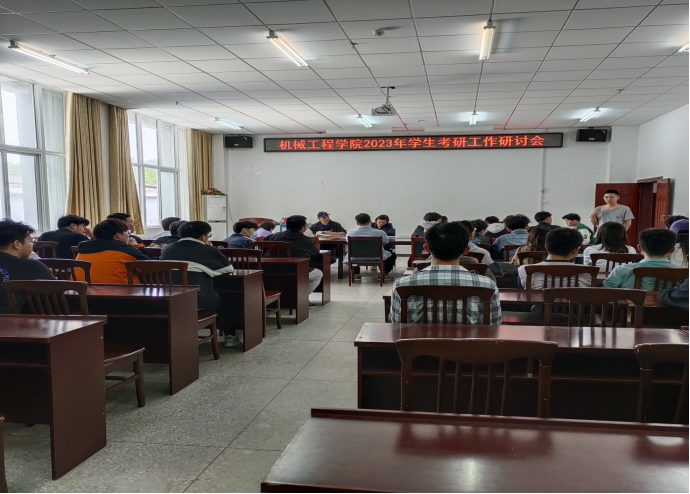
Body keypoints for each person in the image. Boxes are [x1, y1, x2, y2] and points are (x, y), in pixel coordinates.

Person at [389, 221, 501, 325]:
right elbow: (494, 326)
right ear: (466, 250)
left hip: (418, 341)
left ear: (426, 248)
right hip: (469, 341)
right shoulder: (487, 285)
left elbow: (396, 325)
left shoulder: (402, 285)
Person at [160, 221, 239, 346]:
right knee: (228, 299)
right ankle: (231, 337)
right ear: (203, 236)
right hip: (197, 300)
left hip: (169, 299)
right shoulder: (207, 250)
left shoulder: (167, 248)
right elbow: (228, 269)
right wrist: (211, 252)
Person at [0, 220, 56, 314]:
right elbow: (57, 293)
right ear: (17, 244)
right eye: (31, 241)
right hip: (7, 321)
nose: (32, 245)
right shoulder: (31, 266)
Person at [265, 215, 324, 305]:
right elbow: (315, 253)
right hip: (293, 272)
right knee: (318, 273)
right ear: (302, 228)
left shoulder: (273, 236)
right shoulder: (306, 240)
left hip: (269, 271)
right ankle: (299, 298)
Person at [75, 218, 150, 284]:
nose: (128, 235)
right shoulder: (127, 250)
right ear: (118, 235)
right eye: (127, 232)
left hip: (81, 292)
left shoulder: (83, 249)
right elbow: (151, 269)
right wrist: (137, 246)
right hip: (120, 293)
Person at [518, 228, 593, 290]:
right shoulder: (589, 272)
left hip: (538, 304)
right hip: (576, 304)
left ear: (547, 246)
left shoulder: (524, 270)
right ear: (575, 250)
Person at [604, 228, 678, 290]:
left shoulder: (621, 270)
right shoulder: (683, 273)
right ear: (672, 250)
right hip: (669, 304)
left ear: (639, 248)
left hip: (629, 303)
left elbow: (607, 293)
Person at [346, 213, 396, 281]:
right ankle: (384, 273)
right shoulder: (380, 233)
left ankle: (356, 273)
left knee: (350, 253)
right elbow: (386, 242)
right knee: (392, 256)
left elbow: (348, 242)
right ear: (370, 221)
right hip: (376, 257)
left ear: (357, 223)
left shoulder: (350, 234)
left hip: (356, 258)